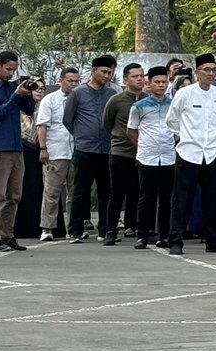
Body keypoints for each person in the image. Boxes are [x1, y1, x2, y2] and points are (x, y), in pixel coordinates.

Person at [167, 53, 216, 254]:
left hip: (212, 151)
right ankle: (175, 239)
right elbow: (172, 120)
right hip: (189, 151)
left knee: (212, 197)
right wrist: (185, 136)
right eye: (206, 70)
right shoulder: (185, 94)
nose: (211, 74)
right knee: (182, 198)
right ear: (197, 72)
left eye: (214, 70)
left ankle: (213, 239)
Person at [63, 54, 117, 242]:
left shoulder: (112, 94)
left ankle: (105, 230)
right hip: (84, 149)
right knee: (80, 191)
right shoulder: (78, 93)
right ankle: (75, 231)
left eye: (109, 72)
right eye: (103, 71)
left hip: (107, 149)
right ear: (93, 71)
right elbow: (67, 120)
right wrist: (82, 135)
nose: (106, 76)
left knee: (106, 191)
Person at [126, 67, 175, 249]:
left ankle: (164, 235)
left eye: (164, 82)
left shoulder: (173, 104)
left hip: (169, 157)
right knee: (146, 197)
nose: (161, 85)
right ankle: (143, 235)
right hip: (147, 157)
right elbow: (131, 131)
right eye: (157, 82)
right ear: (149, 83)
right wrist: (144, 146)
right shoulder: (139, 106)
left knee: (166, 199)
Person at [0, 52, 36, 251]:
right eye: (8, 69)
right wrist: (15, 96)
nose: (11, 73)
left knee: (14, 195)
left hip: (16, 147)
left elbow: (28, 110)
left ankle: (7, 234)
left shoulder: (13, 87)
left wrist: (28, 93)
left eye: (14, 69)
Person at [101, 62, 145, 245]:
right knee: (116, 193)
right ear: (126, 79)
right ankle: (110, 230)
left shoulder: (149, 100)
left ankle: (134, 226)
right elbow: (107, 124)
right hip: (120, 152)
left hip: (143, 153)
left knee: (139, 192)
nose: (139, 79)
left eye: (142, 76)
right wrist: (120, 138)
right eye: (135, 76)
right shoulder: (116, 100)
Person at [35, 66, 78, 242]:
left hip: (76, 151)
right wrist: (43, 149)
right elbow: (42, 125)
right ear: (61, 81)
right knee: (51, 192)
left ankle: (73, 228)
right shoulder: (50, 100)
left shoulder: (80, 98)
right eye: (70, 81)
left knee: (74, 193)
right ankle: (47, 228)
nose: (74, 84)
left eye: (76, 81)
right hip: (56, 151)